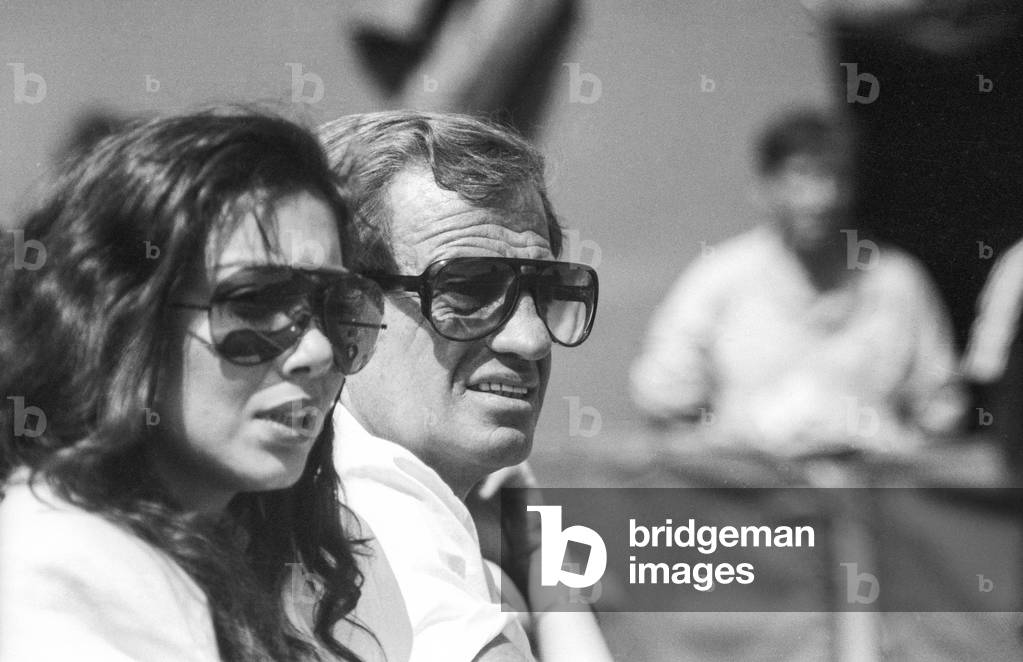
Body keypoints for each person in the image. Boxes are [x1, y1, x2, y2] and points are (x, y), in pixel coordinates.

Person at [0, 108, 400, 662]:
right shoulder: (63, 566)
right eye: (255, 302)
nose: (318, 350)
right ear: (121, 318)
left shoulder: (299, 547)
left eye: (338, 307)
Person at [319, 111, 611, 662]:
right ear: (344, 314)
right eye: (469, 291)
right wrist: (553, 588)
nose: (531, 340)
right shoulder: (375, 513)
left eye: (545, 291)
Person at [630, 108, 966, 454]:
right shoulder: (719, 277)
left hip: (870, 491)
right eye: (801, 176)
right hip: (749, 488)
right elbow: (662, 400)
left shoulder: (898, 281)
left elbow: (941, 413)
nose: (819, 199)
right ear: (764, 186)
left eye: (833, 177)